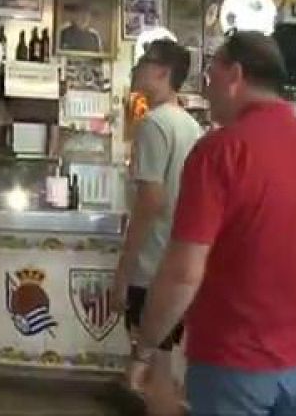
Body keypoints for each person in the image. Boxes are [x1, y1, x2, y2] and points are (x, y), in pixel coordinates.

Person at [134, 31, 296, 415]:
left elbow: (184, 272)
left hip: (233, 365)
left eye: (211, 76)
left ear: (234, 74)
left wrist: (146, 347)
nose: (207, 89)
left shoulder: (220, 151)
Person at [111, 40, 203, 409]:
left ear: (163, 73)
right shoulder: (191, 125)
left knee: (151, 368)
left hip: (150, 267)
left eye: (143, 64)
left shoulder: (152, 124)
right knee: (161, 364)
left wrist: (124, 269)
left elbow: (151, 202)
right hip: (178, 262)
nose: (136, 70)